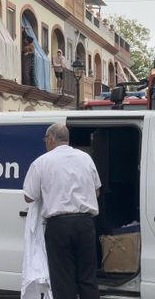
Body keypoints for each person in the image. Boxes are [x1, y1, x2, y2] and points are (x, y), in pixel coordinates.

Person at [23, 123, 101, 299]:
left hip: (59, 227)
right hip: (85, 224)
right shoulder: (86, 158)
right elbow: (96, 191)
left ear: (50, 139)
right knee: (88, 278)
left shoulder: (42, 162)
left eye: (46, 140)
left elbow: (29, 196)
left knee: (63, 280)